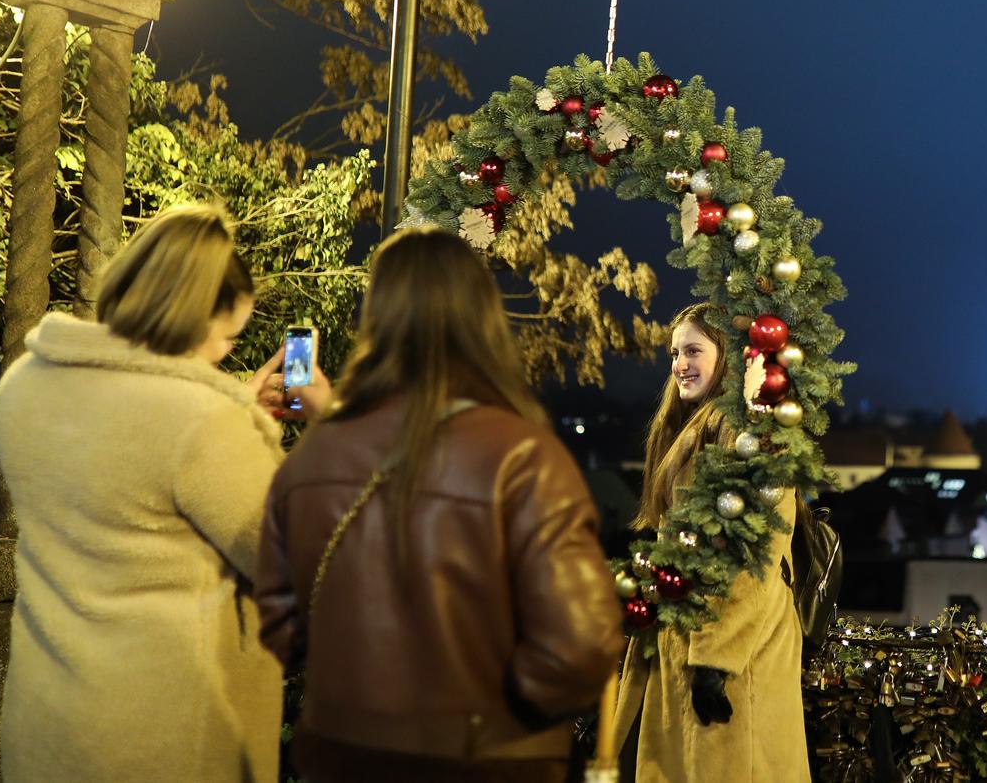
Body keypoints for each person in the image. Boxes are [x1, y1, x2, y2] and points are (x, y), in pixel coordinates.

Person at [256, 225, 622, 783]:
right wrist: (501, 716)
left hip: (343, 754)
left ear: (377, 318)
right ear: (482, 320)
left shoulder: (313, 456)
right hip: (489, 763)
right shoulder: (523, 457)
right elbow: (581, 644)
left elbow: (280, 622)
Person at [0, 203, 291, 782]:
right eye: (228, 337)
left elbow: (128, 459)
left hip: (48, 723)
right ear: (190, 318)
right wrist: (253, 423)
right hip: (164, 738)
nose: (225, 354)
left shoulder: (24, 385)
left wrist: (232, 404)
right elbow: (289, 555)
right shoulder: (203, 422)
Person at [609, 304, 810, 782]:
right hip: (691, 645)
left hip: (735, 656)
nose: (680, 364)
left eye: (694, 351)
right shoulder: (695, 427)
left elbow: (754, 554)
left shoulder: (749, 434)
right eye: (675, 353)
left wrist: (715, 660)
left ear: (727, 357)